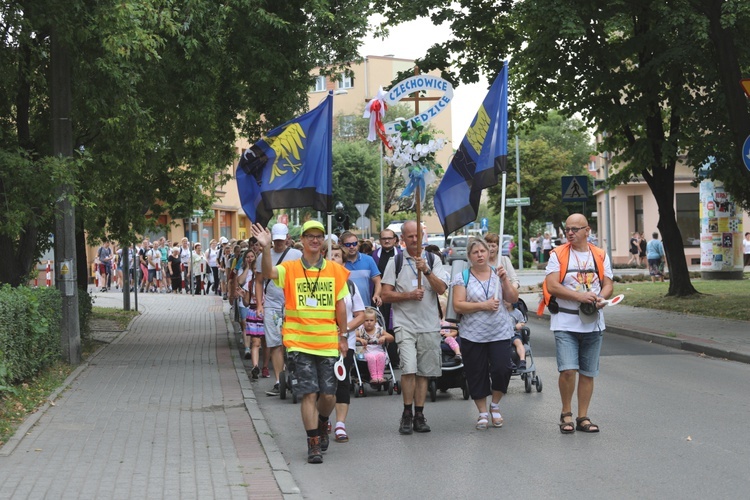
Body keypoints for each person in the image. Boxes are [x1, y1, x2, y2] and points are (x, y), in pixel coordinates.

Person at [251, 220, 350, 464]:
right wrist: (265, 249)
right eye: (310, 236)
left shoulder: (336, 271)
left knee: (328, 396)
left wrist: (343, 335)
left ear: (323, 241)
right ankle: (313, 442)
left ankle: (323, 421)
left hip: (327, 342)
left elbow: (340, 306)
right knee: (309, 393)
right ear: (302, 240)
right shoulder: (290, 267)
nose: (315, 240)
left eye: (319, 236)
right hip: (298, 342)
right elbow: (269, 273)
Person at [542, 214, 613, 434]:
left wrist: (601, 297)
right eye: (567, 229)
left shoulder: (599, 255)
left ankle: (583, 416)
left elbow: (608, 284)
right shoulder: (558, 255)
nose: (570, 233)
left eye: (575, 229)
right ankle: (566, 413)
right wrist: (579, 297)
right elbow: (552, 285)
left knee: (588, 372)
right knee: (568, 371)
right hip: (565, 321)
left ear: (587, 230)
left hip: (593, 322)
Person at [381, 220, 448, 435]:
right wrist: (408, 295)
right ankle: (406, 413)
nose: (414, 239)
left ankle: (420, 413)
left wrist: (426, 271)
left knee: (424, 372)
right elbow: (385, 294)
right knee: (409, 368)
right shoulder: (396, 261)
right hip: (405, 324)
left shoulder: (433, 259)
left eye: (417, 235)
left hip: (428, 324)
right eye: (409, 236)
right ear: (403, 239)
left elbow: (441, 289)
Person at [451, 237, 518, 430]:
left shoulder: (498, 274)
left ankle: (495, 404)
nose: (480, 255)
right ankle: (482, 412)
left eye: (483, 251)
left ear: (489, 253)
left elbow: (513, 298)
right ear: (470, 257)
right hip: (473, 334)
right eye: (475, 252)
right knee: (476, 372)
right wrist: (484, 305)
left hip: (499, 332)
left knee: (502, 368)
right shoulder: (462, 277)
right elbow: (458, 305)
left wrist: (505, 280)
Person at [254, 223, 302, 394]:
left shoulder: (297, 255)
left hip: (293, 305)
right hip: (272, 305)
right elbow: (259, 281)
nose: (279, 243)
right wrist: (260, 304)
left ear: (288, 237)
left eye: (282, 240)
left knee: (293, 343)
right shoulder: (263, 257)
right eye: (276, 240)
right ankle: (278, 380)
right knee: (275, 343)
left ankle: (297, 377)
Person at [328, 244, 365, 443]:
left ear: (343, 261)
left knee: (342, 382)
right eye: (330, 255)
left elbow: (360, 314)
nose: (333, 258)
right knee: (323, 384)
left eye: (337, 256)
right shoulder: (320, 282)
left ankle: (340, 424)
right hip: (322, 342)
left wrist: (344, 330)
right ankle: (323, 416)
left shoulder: (350, 285)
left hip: (345, 342)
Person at [372, 229, 402, 367]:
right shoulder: (373, 257)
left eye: (390, 238)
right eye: (384, 238)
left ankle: (395, 359)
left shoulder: (401, 256)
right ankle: (379, 359)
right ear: (380, 240)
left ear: (395, 239)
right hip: (379, 297)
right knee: (379, 326)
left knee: (394, 327)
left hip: (396, 296)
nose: (387, 241)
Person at [238, 250, 264, 375]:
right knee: (256, 341)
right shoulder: (250, 283)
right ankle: (255, 367)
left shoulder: (268, 283)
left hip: (266, 312)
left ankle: (265, 366)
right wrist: (243, 296)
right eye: (254, 269)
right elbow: (247, 303)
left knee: (268, 343)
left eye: (258, 268)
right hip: (253, 312)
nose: (256, 271)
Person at [340, 231, 382, 308]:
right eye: (348, 244)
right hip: (345, 309)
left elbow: (378, 280)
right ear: (342, 245)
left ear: (358, 244)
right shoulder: (339, 262)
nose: (352, 247)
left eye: (354, 244)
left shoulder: (368, 260)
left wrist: (377, 294)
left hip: (364, 307)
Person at [355, 308, 393, 385]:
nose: (369, 322)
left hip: (378, 351)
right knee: (371, 357)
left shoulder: (379, 330)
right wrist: (359, 339)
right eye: (366, 320)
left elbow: (391, 338)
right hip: (366, 351)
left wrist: (384, 337)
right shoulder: (361, 331)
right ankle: (374, 377)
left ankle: (380, 376)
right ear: (362, 322)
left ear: (375, 322)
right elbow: (351, 336)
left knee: (381, 355)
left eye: (371, 320)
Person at [506, 302, 526, 370]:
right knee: (505, 344)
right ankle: (509, 360)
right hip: (504, 334)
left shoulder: (517, 312)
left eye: (506, 301)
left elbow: (522, 322)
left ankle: (522, 361)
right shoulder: (501, 312)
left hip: (514, 333)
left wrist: (520, 324)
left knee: (518, 342)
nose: (504, 302)